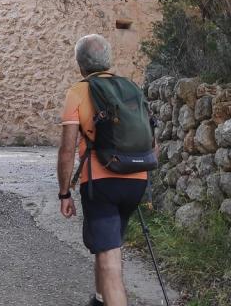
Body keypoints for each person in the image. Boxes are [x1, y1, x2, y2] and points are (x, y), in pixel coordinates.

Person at [57, 34, 149, 306]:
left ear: (80, 64)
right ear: (108, 60)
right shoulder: (131, 87)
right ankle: (99, 300)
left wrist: (64, 193)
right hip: (137, 180)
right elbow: (150, 141)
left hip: (102, 183)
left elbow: (66, 151)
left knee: (109, 260)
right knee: (109, 244)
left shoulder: (78, 91)